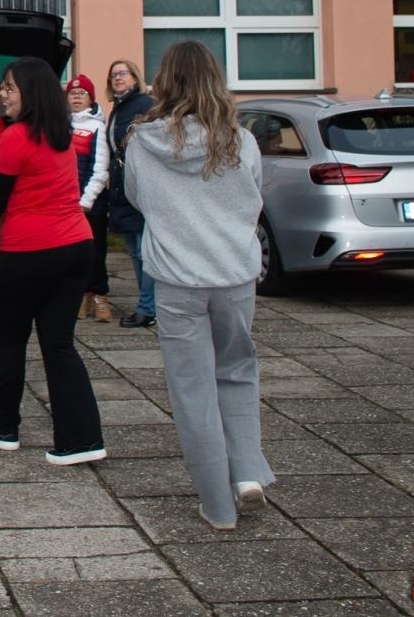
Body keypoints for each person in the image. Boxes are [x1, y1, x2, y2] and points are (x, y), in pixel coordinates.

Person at [124, 40, 271, 530]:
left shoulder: (143, 140)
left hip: (177, 277)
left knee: (192, 389)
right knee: (237, 371)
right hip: (234, 274)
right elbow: (253, 197)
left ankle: (217, 505)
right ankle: (247, 473)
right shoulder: (241, 139)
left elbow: (138, 199)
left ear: (164, 81)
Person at [0, 57, 105, 465]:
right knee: (59, 346)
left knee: (11, 341)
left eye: (9, 87)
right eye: (2, 87)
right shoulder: (61, 134)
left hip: (30, 253)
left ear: (30, 93)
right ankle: (82, 440)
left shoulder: (16, 138)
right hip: (77, 247)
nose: (2, 94)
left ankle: (4, 426)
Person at [105, 58, 157, 328]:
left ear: (135, 78)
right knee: (134, 252)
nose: (117, 78)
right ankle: (147, 303)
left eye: (123, 73)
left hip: (140, 187)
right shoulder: (117, 108)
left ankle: (148, 308)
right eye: (113, 75)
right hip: (121, 187)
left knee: (143, 250)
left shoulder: (146, 105)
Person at [66, 74, 113, 323]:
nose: (76, 97)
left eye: (81, 93)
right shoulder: (62, 125)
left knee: (95, 251)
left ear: (90, 98)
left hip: (90, 203)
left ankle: (99, 295)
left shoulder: (98, 127)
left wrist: (85, 201)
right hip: (64, 202)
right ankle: (80, 295)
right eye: (72, 93)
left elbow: (100, 168)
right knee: (73, 254)